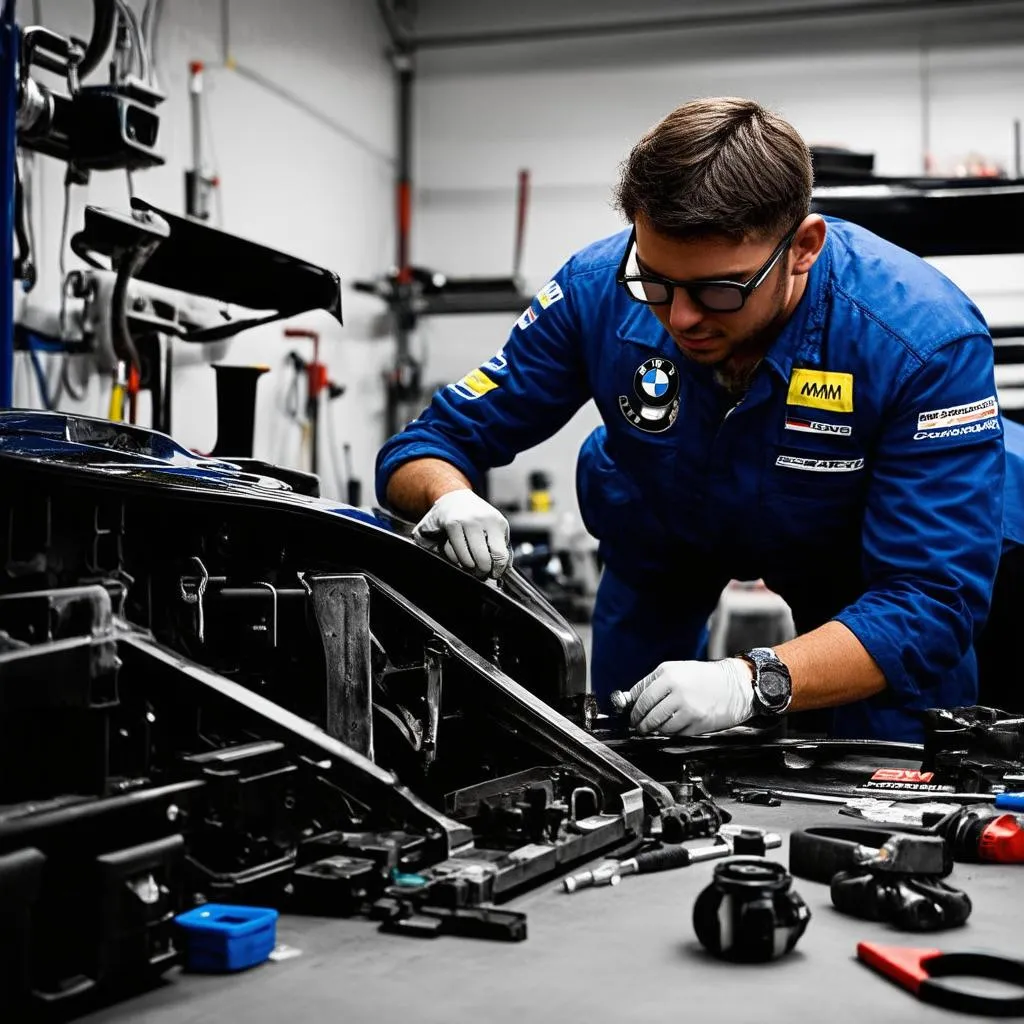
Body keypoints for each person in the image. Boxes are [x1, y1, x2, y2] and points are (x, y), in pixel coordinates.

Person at [375, 96, 1024, 743]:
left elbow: (930, 602)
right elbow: (427, 444)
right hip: (665, 521)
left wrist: (754, 680)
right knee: (626, 742)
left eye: (720, 290)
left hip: (863, 565)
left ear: (802, 248)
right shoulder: (597, 288)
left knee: (878, 776)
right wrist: (449, 497)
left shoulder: (918, 339)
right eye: (655, 282)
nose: (681, 318)